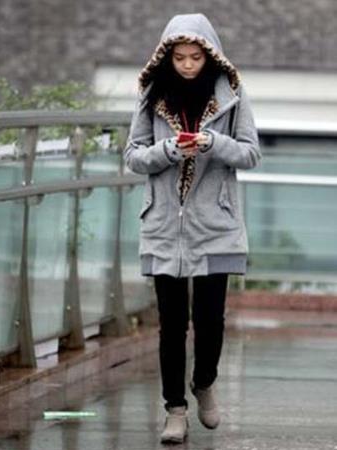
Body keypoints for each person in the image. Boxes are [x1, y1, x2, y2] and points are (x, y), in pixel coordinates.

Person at [124, 13, 261, 444]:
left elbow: (251, 153)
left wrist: (212, 143)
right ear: (168, 56)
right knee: (171, 324)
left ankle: (204, 383)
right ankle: (175, 410)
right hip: (164, 226)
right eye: (180, 57)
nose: (187, 65)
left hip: (215, 224)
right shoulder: (151, 95)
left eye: (195, 57)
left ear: (210, 55)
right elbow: (133, 155)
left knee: (210, 320)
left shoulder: (231, 94)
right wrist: (168, 149)